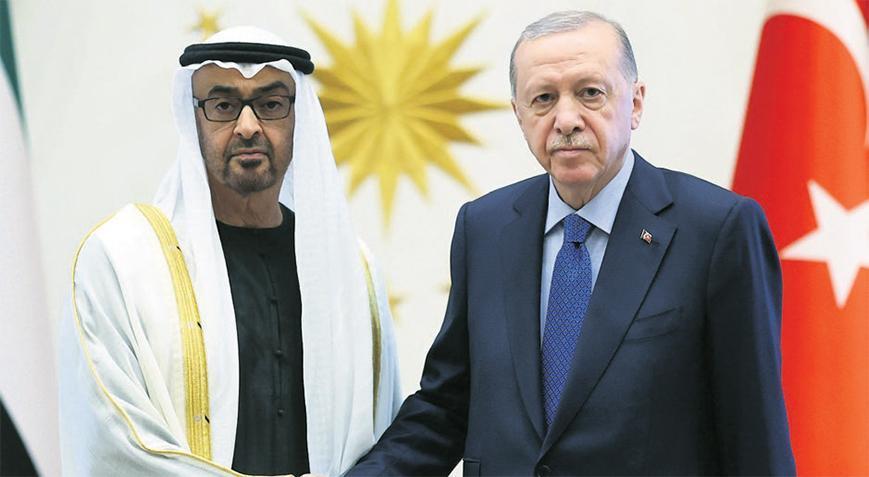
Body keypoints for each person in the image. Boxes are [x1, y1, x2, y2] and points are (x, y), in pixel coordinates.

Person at [350, 10, 795, 476]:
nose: (565, 120)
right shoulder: (484, 228)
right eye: (543, 99)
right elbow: (446, 407)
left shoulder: (717, 229)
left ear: (635, 103)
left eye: (590, 93)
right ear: (519, 115)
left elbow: (754, 436)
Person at [58, 26, 401, 476]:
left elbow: (382, 436)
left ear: (299, 117)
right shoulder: (121, 261)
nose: (248, 126)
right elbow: (114, 444)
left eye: (271, 104)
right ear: (193, 118)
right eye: (223, 106)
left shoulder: (350, 269)